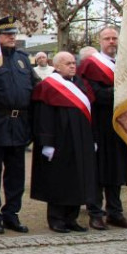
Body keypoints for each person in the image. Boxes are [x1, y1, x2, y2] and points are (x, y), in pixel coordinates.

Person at [0, 15, 37, 234]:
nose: (11, 37)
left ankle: (11, 213)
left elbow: (35, 89)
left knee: (16, 174)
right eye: (7, 34)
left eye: (13, 34)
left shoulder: (22, 59)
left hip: (20, 123)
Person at [29, 52, 95, 233]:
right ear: (57, 66)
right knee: (59, 179)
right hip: (60, 141)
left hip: (80, 139)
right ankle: (56, 218)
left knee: (78, 178)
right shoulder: (48, 87)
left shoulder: (80, 85)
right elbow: (43, 118)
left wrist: (92, 138)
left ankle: (71, 218)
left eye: (74, 63)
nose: (73, 66)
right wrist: (47, 143)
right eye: (68, 64)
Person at [77, 26, 127, 229]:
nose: (111, 42)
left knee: (117, 168)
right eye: (107, 38)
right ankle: (95, 212)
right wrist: (121, 92)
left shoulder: (123, 64)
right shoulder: (92, 65)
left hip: (120, 123)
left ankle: (115, 211)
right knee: (97, 170)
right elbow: (94, 94)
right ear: (100, 40)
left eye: (114, 38)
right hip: (99, 122)